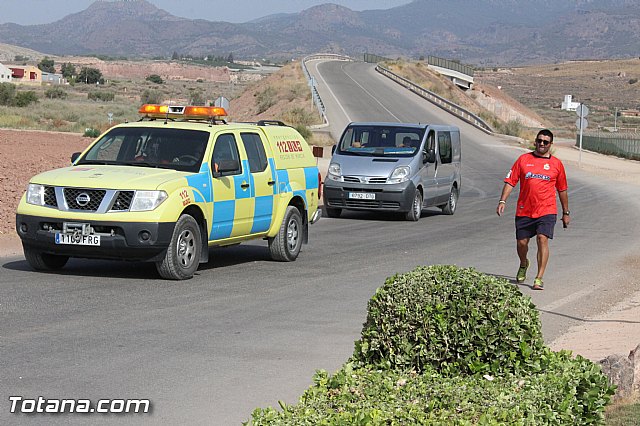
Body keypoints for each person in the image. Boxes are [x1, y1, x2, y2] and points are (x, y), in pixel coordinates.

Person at [496, 129, 570, 290]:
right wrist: (503, 200)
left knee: (542, 239)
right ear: (535, 141)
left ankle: (539, 277)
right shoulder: (523, 160)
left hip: (547, 210)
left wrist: (566, 212)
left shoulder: (556, 164)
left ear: (551, 144)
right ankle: (523, 263)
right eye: (539, 141)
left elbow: (562, 189)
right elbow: (510, 181)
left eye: (545, 142)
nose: (541, 144)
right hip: (525, 210)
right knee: (522, 243)